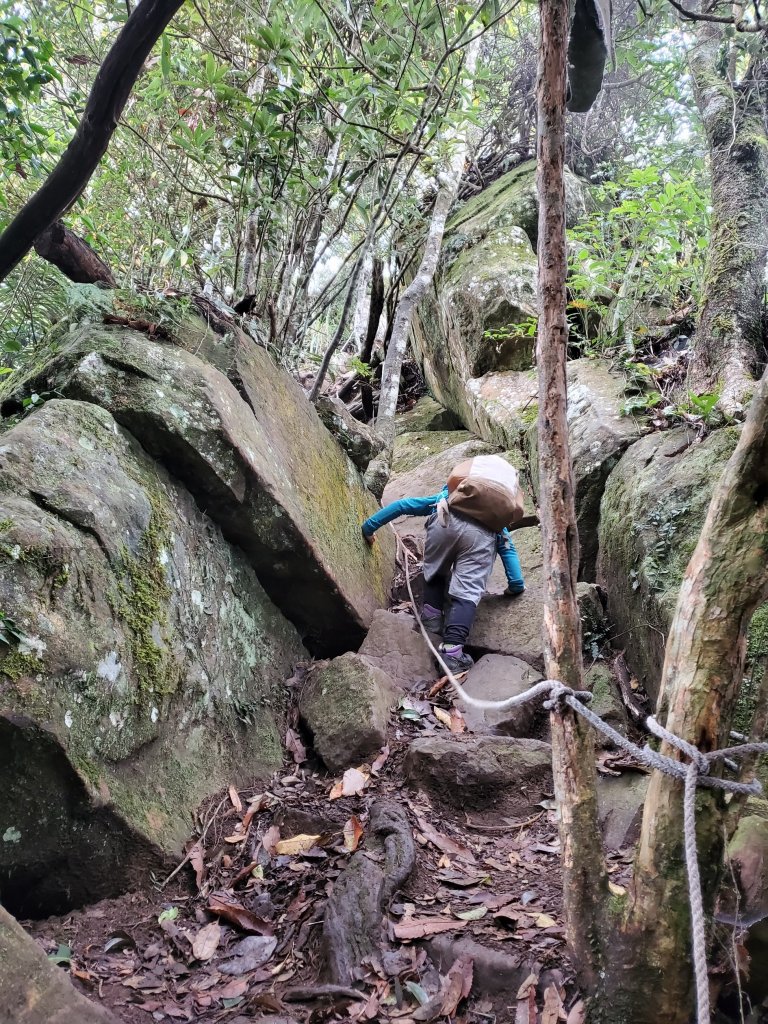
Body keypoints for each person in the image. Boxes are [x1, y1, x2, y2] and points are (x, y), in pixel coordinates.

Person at [361, 484, 527, 673]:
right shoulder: (495, 516)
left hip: (444, 519)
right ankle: (453, 655)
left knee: (435, 568)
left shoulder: (448, 497)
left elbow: (402, 505)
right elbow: (508, 549)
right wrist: (516, 584)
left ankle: (431, 619)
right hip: (480, 536)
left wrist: (369, 527)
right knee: (467, 591)